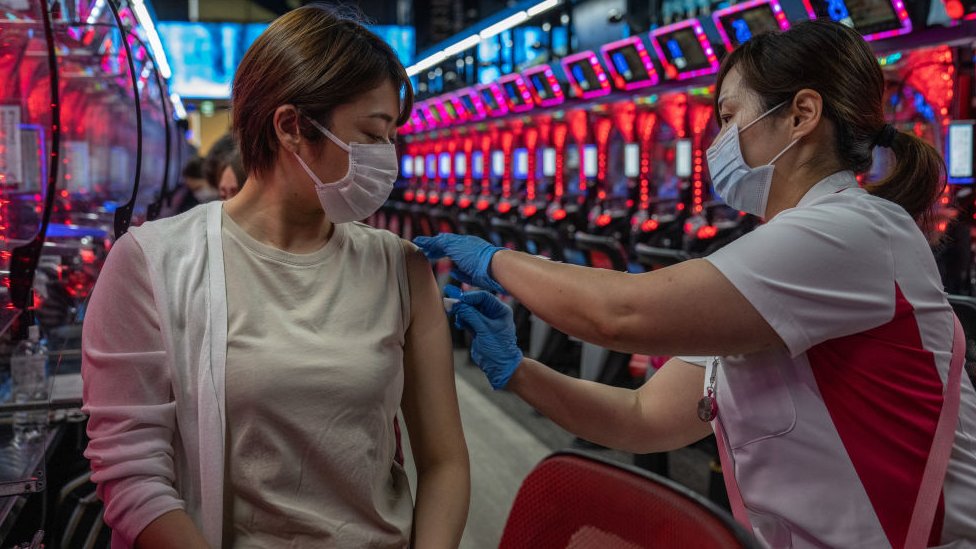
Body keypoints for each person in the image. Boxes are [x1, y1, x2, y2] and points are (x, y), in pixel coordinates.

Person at [417, 21, 976, 548]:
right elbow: (644, 418)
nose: (717, 143)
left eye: (730, 119)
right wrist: (520, 373)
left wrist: (495, 261)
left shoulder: (853, 229)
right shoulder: (778, 254)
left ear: (803, 114)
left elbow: (623, 314)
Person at [82, 6, 469, 548]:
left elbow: (444, 460)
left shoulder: (398, 266)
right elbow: (131, 474)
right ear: (291, 126)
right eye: (372, 135)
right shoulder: (152, 262)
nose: (388, 158)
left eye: (391, 138)